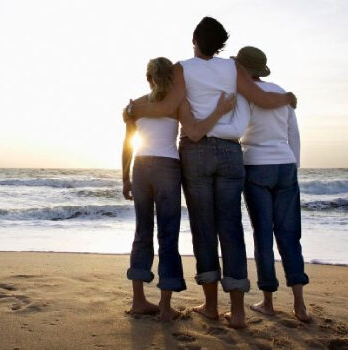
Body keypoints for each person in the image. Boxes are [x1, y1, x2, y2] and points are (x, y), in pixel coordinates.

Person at [124, 17, 297, 329]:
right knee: (231, 227)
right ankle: (239, 313)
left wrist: (135, 110)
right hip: (231, 153)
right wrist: (285, 98)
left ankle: (211, 306)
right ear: (221, 44)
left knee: (204, 227)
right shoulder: (233, 68)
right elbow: (260, 98)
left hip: (195, 151)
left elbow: (169, 106)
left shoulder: (182, 68)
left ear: (194, 39)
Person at [122, 57, 236, 321]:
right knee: (168, 235)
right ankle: (165, 308)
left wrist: (124, 178)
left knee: (142, 232)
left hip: (140, 167)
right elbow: (195, 133)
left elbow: (128, 144)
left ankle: (139, 301)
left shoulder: (135, 106)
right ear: (172, 79)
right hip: (167, 168)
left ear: (148, 78)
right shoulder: (177, 104)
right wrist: (220, 109)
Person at [233, 46, 311, 322]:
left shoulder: (244, 94)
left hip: (256, 164)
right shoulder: (283, 93)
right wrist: (293, 165)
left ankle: (268, 300)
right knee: (290, 235)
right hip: (285, 164)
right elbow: (294, 133)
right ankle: (300, 304)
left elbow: (238, 128)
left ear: (242, 69)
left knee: (263, 234)